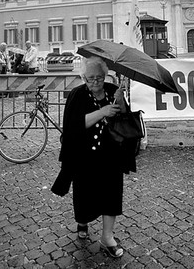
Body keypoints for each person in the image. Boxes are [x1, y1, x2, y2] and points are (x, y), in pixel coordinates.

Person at [51, 57, 133, 258]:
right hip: (83, 154)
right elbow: (72, 127)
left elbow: (125, 121)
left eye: (99, 77)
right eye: (90, 79)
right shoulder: (77, 95)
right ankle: (82, 221)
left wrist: (121, 104)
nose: (95, 82)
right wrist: (102, 111)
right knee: (84, 194)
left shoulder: (114, 90)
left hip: (110, 153)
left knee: (112, 193)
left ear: (105, 76)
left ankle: (107, 237)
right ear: (83, 78)